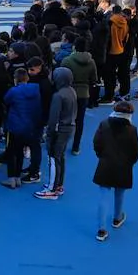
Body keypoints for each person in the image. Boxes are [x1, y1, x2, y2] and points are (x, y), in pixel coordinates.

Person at [92, 101, 138, 243]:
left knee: (103, 196)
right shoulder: (132, 130)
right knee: (120, 193)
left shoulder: (104, 124)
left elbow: (97, 143)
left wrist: (102, 156)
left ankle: (101, 230)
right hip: (123, 166)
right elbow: (136, 151)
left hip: (105, 164)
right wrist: (129, 163)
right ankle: (117, 218)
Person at [39, 67, 77, 199]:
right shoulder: (71, 91)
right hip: (69, 128)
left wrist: (49, 133)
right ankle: (58, 185)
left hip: (59, 130)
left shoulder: (58, 95)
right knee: (60, 157)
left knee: (53, 158)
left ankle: (52, 189)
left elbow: (53, 118)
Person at [1, 69, 42, 190]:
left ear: (16, 79)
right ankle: (18, 176)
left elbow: (6, 100)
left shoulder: (14, 91)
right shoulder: (36, 89)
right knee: (20, 152)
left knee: (11, 151)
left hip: (15, 126)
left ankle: (11, 178)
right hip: (30, 126)